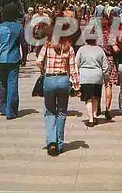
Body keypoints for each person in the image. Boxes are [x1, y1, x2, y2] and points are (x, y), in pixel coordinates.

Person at [36, 20, 80, 156]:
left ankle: (51, 142)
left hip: (49, 79)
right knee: (61, 113)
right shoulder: (69, 48)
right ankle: (60, 144)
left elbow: (38, 61)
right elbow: (73, 69)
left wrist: (44, 69)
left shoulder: (47, 45)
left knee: (49, 112)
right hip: (63, 80)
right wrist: (77, 87)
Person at [0, 4, 23, 119]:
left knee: (2, 84)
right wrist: (24, 58)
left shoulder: (0, 27)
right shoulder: (19, 27)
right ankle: (11, 111)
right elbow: (23, 44)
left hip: (0, 59)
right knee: (12, 84)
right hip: (14, 59)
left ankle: (3, 108)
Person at [76, 37, 108, 127]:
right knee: (95, 97)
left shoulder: (81, 49)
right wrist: (106, 76)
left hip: (85, 77)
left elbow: (76, 63)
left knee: (88, 99)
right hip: (97, 77)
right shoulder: (100, 50)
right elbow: (105, 65)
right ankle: (95, 116)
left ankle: (90, 119)